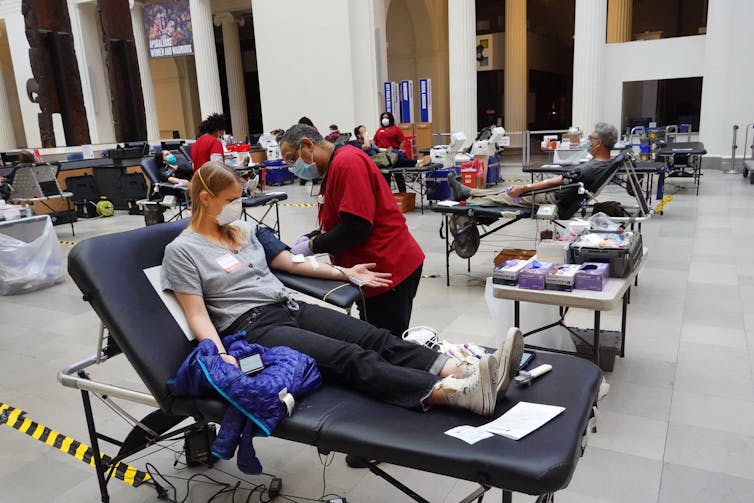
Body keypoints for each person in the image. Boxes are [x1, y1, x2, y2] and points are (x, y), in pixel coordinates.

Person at [160, 161, 524, 424]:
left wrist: (344, 271)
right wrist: (219, 354)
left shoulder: (243, 231)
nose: (238, 206)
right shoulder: (183, 251)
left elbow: (290, 263)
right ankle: (455, 393)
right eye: (230, 199)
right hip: (251, 326)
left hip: (286, 306)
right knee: (351, 357)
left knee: (374, 337)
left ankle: (467, 369)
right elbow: (196, 314)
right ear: (205, 199)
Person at [279, 124, 426, 338]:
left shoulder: (347, 162)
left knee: (386, 343)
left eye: (292, 159)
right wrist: (313, 236)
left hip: (388, 269)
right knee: (373, 334)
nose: (293, 168)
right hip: (367, 272)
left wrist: (312, 246)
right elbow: (340, 218)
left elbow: (356, 227)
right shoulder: (332, 168)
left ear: (307, 145)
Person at [448, 122, 619, 219]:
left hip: (553, 198)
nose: (587, 142)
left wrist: (524, 189)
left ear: (599, 143)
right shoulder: (602, 164)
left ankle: (471, 199)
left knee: (508, 196)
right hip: (560, 195)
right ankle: (470, 191)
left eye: (590, 139)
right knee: (507, 190)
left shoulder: (590, 167)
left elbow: (555, 182)